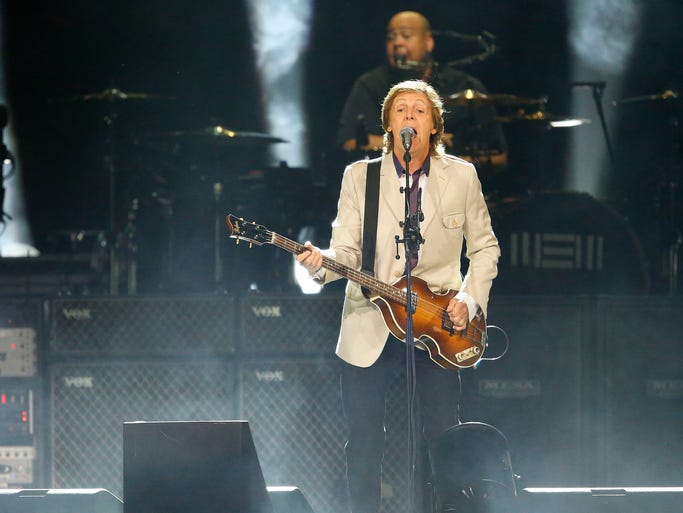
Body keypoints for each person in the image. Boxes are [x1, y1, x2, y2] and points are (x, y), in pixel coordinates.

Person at [296, 79, 500, 513]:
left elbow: (485, 248)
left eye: (419, 110)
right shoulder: (360, 177)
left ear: (434, 125)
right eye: (401, 109)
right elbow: (346, 251)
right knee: (365, 439)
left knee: (443, 432)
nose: (409, 114)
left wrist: (469, 298)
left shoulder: (462, 176)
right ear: (388, 124)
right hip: (369, 318)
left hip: (437, 321)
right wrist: (321, 264)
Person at [336, 10, 508, 171]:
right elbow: (350, 143)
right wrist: (427, 141)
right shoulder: (370, 85)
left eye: (406, 35)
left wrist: (462, 165)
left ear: (428, 42)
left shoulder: (464, 84)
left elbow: (500, 156)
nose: (397, 43)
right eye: (391, 37)